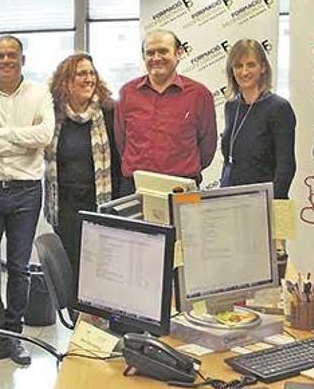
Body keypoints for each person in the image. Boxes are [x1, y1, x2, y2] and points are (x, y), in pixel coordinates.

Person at [0, 35, 54, 366]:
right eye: (0, 55)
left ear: (22, 59)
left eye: (11, 55)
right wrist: (22, 139)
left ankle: (14, 335)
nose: (6, 60)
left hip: (26, 191)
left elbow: (45, 137)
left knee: (19, 267)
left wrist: (1, 133)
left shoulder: (38, 93)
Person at [44, 53, 121, 275]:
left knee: (100, 269)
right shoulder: (53, 115)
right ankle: (76, 311)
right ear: (66, 81)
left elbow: (119, 159)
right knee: (72, 268)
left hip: (100, 203)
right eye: (81, 74)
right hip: (66, 206)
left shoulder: (109, 112)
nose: (89, 79)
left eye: (91, 73)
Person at [114, 29, 217, 194]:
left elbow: (207, 148)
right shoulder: (127, 93)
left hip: (184, 189)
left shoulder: (200, 94)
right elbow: (121, 142)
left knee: (189, 221)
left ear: (179, 53)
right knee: (129, 221)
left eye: (163, 51)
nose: (156, 58)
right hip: (135, 188)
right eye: (150, 53)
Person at [220, 38, 296, 199]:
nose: (244, 71)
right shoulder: (231, 107)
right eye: (238, 66)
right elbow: (229, 160)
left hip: (265, 202)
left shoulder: (279, 108)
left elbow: (286, 165)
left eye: (251, 64)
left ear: (262, 67)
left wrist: (272, 203)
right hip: (233, 200)